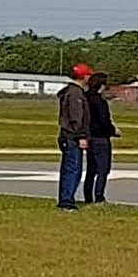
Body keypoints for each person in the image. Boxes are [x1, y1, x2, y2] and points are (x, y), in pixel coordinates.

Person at [56, 63, 93, 210]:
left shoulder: (70, 91)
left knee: (70, 169)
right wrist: (81, 136)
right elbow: (76, 117)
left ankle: (66, 199)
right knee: (72, 169)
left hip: (68, 135)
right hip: (72, 136)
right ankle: (66, 202)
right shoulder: (75, 94)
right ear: (84, 77)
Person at [83, 72, 121, 204]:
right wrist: (113, 131)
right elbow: (104, 121)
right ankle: (99, 196)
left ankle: (88, 196)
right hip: (100, 137)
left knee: (91, 169)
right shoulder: (100, 102)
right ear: (101, 85)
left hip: (88, 137)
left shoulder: (85, 99)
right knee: (103, 169)